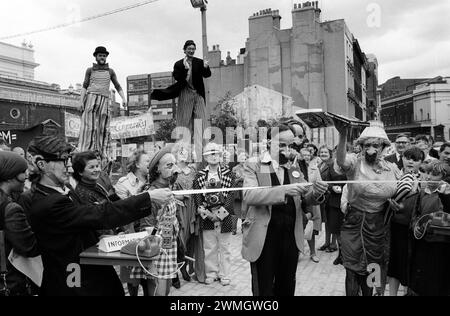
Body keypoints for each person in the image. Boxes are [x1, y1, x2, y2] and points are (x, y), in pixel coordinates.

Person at [25, 136, 172, 296]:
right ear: (42, 164)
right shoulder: (47, 203)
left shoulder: (64, 189)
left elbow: (83, 222)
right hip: (73, 279)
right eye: (63, 160)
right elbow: (99, 214)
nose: (69, 166)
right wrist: (148, 197)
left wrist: (101, 238)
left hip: (87, 271)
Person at [241, 124, 328, 296]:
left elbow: (306, 197)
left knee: (287, 286)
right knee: (264, 289)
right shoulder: (257, 165)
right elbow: (250, 195)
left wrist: (316, 192)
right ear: (268, 142)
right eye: (281, 145)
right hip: (264, 238)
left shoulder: (293, 167)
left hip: (290, 237)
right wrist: (284, 191)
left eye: (290, 145)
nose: (287, 150)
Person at [334, 120, 401, 296]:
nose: (371, 148)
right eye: (367, 145)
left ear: (383, 147)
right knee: (352, 267)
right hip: (354, 223)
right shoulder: (355, 163)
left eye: (376, 145)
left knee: (373, 266)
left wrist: (394, 203)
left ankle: (372, 293)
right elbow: (341, 161)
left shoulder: (392, 168)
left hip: (378, 225)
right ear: (362, 147)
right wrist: (342, 135)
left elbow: (400, 194)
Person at [131, 145, 181, 296]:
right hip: (156, 252)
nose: (175, 168)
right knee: (157, 292)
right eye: (169, 165)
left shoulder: (168, 188)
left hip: (168, 247)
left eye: (175, 164)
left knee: (165, 291)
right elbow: (146, 229)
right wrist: (151, 263)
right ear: (158, 169)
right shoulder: (153, 193)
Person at [152, 40, 211, 155]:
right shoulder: (179, 64)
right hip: (185, 92)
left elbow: (207, 75)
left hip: (198, 94)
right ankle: (184, 152)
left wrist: (206, 67)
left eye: (193, 49)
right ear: (184, 50)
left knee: (201, 122)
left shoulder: (199, 62)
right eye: (189, 48)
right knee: (184, 122)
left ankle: (203, 151)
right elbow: (178, 78)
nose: (191, 50)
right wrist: (186, 69)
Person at [193, 143, 236, 286]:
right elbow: (197, 198)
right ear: (205, 157)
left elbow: (231, 196)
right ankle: (211, 273)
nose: (213, 156)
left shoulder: (229, 174)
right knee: (210, 247)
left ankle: (225, 274)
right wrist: (205, 213)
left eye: (215, 153)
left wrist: (219, 215)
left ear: (220, 155)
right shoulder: (199, 176)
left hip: (225, 217)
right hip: (207, 217)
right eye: (210, 154)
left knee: (225, 248)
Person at [0, 151, 40, 296]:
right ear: (10, 175)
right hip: (10, 282)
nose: (27, 176)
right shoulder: (11, 208)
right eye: (23, 172)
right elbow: (28, 247)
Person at [387, 147, 425, 296]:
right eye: (408, 157)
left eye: (415, 159)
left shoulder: (425, 178)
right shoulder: (393, 175)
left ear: (421, 162)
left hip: (414, 230)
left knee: (410, 266)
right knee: (394, 265)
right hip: (395, 227)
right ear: (402, 158)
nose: (411, 161)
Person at [409, 162, 450, 296]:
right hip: (422, 243)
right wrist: (416, 226)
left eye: (434, 174)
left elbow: (446, 219)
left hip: (440, 246)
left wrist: (428, 224)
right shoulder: (423, 193)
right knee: (419, 279)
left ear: (444, 178)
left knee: (436, 282)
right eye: (428, 173)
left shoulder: (446, 195)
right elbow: (416, 214)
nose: (428, 177)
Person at [114, 150, 151, 296]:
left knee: (149, 277)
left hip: (150, 235)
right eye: (147, 161)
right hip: (131, 236)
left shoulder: (153, 182)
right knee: (132, 278)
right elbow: (121, 213)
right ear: (136, 164)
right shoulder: (123, 184)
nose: (150, 164)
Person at [78, 46, 126, 158]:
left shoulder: (110, 71)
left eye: (104, 56)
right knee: (89, 125)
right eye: (100, 55)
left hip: (104, 99)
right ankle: (85, 150)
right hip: (91, 97)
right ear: (96, 57)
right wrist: (81, 101)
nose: (102, 57)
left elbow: (117, 85)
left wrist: (123, 98)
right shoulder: (90, 70)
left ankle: (102, 151)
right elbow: (84, 86)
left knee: (103, 127)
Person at [72, 151, 119, 237]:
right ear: (80, 172)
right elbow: (95, 223)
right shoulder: (82, 194)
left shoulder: (96, 186)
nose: (97, 170)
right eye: (92, 167)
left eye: (97, 166)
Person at [172, 144, 198, 286]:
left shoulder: (193, 170)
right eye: (182, 152)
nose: (185, 154)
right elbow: (170, 191)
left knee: (190, 239)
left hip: (192, 208)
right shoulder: (173, 170)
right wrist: (182, 196)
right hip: (179, 208)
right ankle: (175, 271)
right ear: (176, 154)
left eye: (187, 152)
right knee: (178, 239)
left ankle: (186, 268)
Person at [300, 148, 322, 263]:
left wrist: (315, 193)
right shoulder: (295, 168)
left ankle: (312, 252)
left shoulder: (315, 169)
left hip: (311, 201)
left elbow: (319, 185)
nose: (306, 157)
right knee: (298, 226)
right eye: (303, 155)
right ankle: (298, 250)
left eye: (308, 155)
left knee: (311, 228)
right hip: (299, 201)